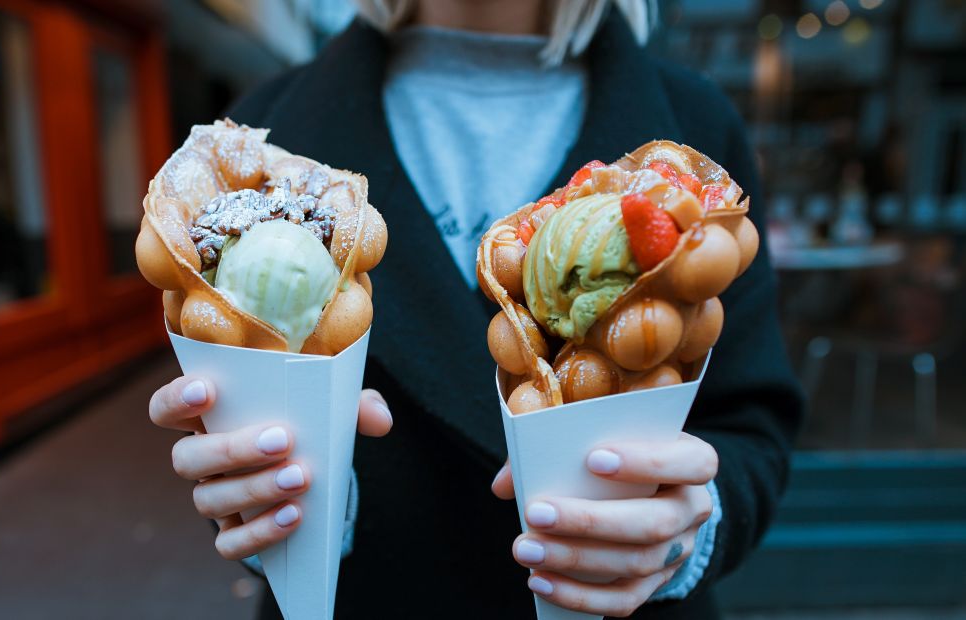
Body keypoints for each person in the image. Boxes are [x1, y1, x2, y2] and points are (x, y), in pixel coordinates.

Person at [147, 0, 804, 617]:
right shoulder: (257, 135)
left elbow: (751, 423)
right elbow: (238, 417)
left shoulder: (694, 125)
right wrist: (274, 504)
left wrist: (689, 524)